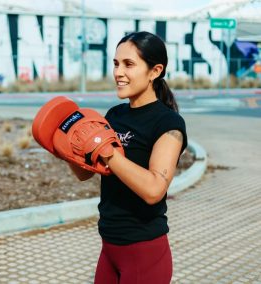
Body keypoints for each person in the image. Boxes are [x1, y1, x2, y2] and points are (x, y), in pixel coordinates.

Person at [69, 31, 187, 284]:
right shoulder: (114, 114)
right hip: (109, 247)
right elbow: (85, 173)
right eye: (115, 63)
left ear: (155, 71)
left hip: (144, 252)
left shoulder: (168, 124)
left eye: (129, 64)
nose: (118, 72)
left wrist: (108, 152)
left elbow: (155, 189)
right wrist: (65, 148)